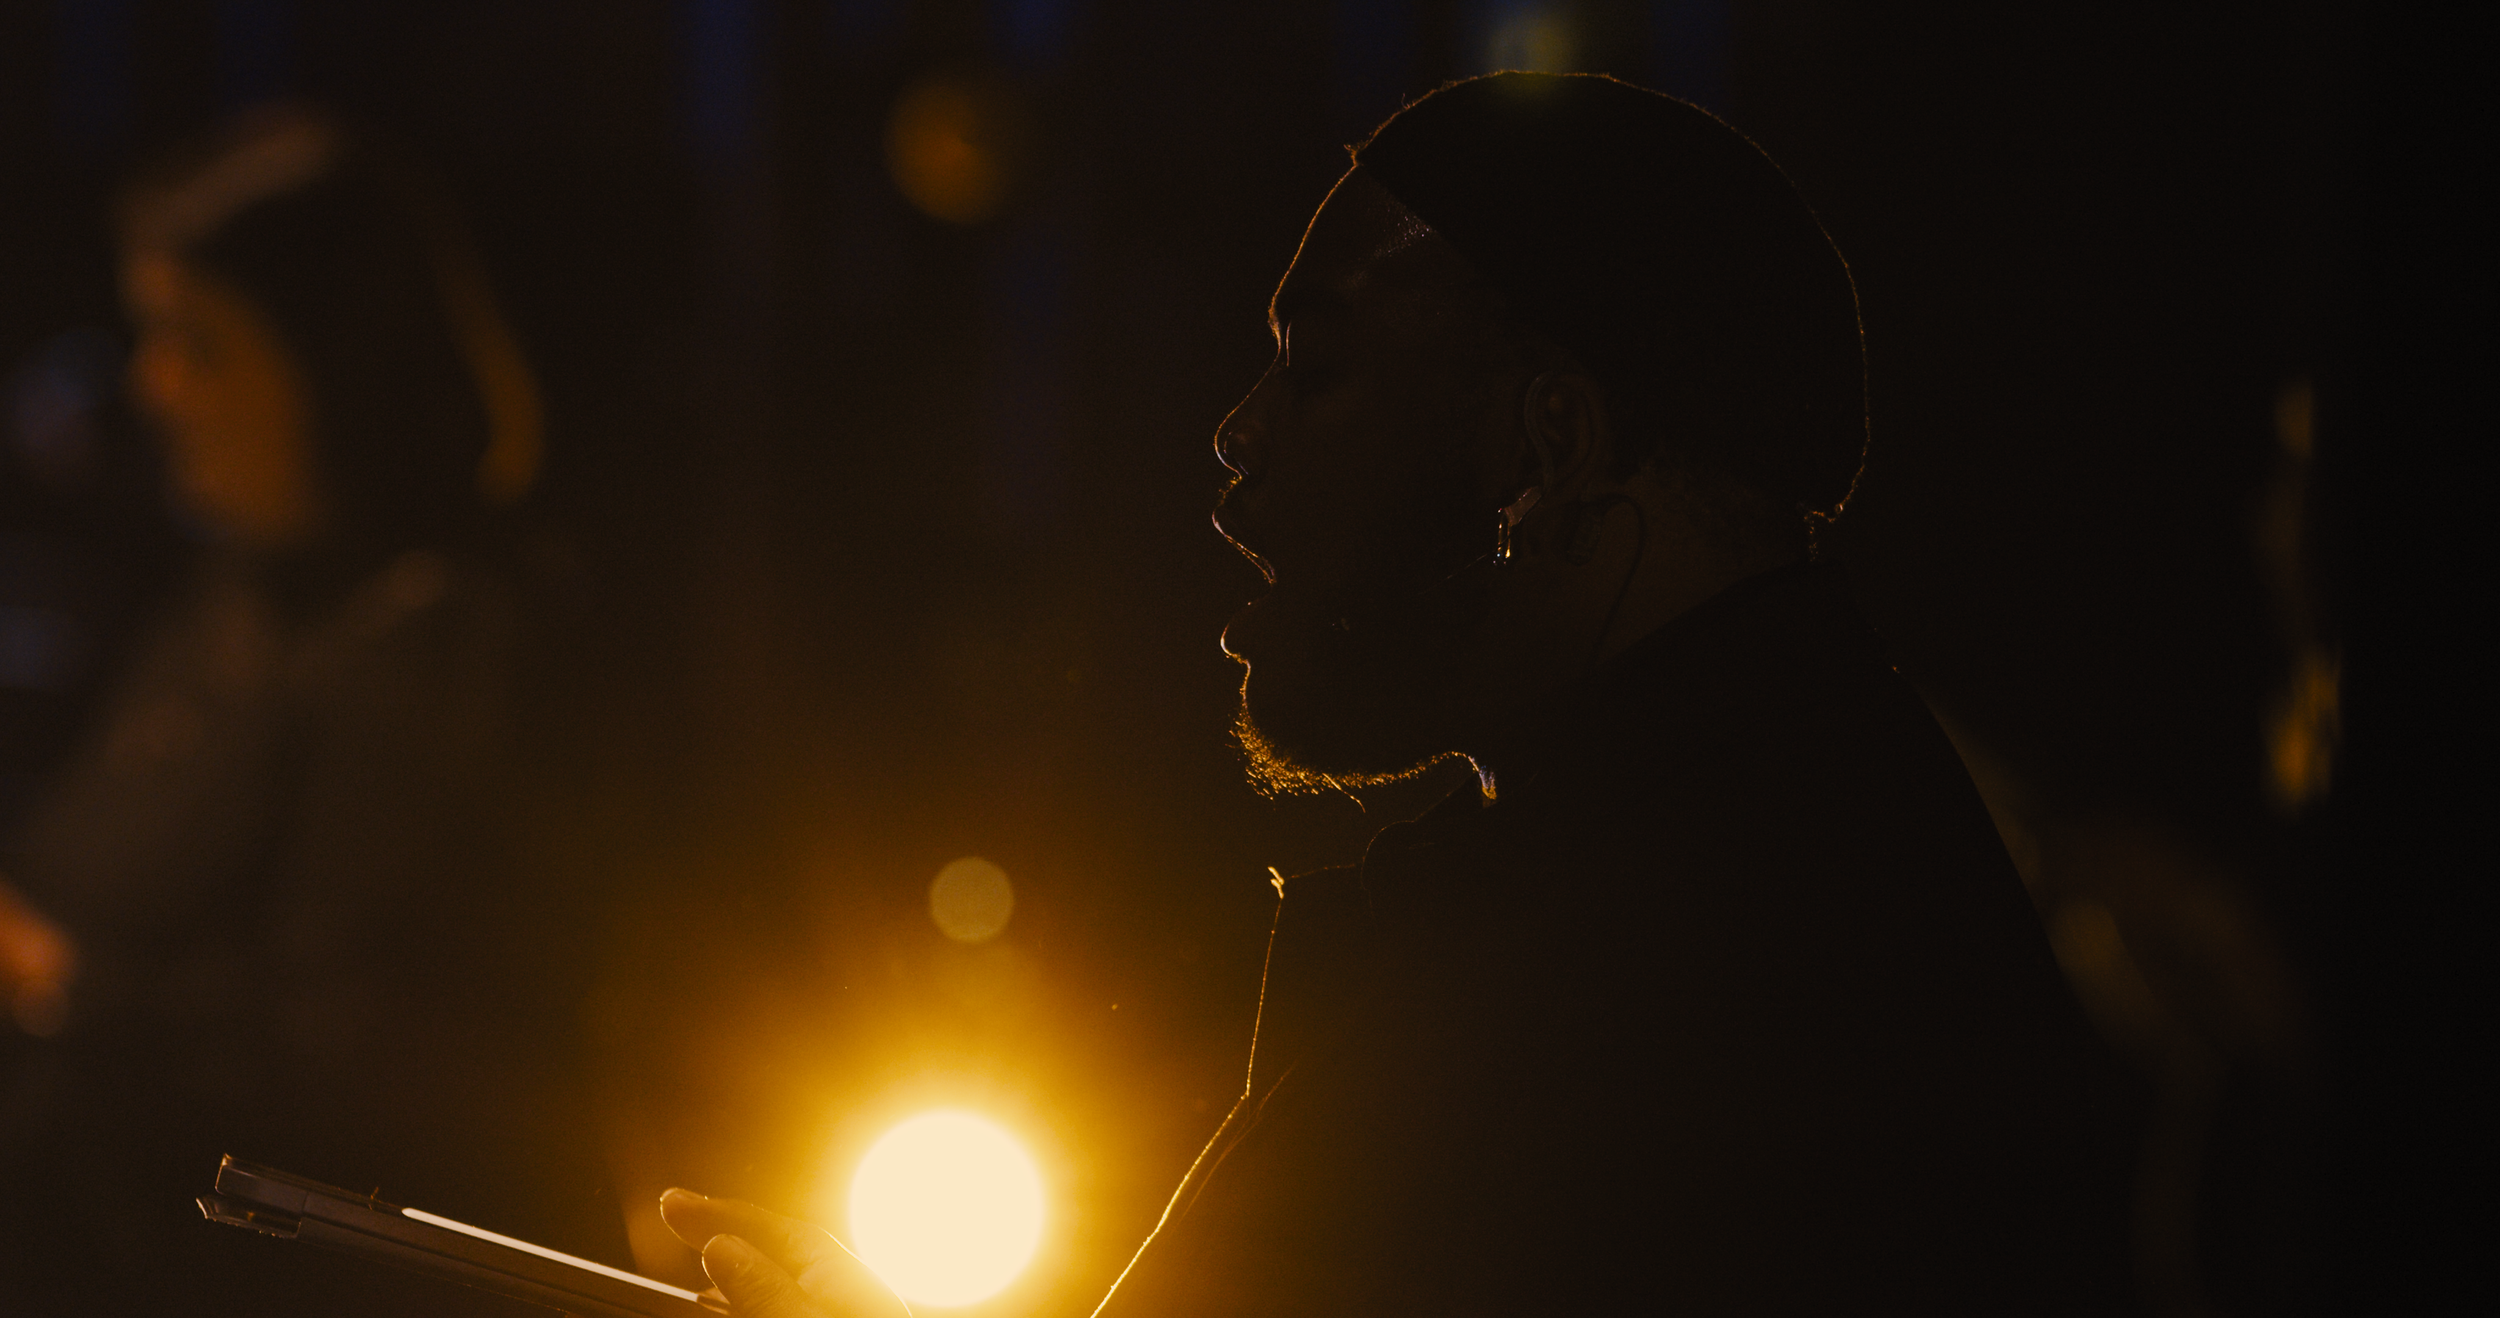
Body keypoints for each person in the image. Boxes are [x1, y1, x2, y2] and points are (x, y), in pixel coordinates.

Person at [655, 72, 2137, 1315]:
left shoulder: (1643, 962)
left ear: (1546, 446)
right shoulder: (1797, 843)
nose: (1235, 441)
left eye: (1319, 363)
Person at [0, 105, 622, 1315]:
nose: (154, 386)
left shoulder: (449, 634)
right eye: (151, 338)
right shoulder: (236, 602)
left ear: (336, 361)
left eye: (201, 343)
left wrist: (55, 977)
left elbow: (358, 1042)